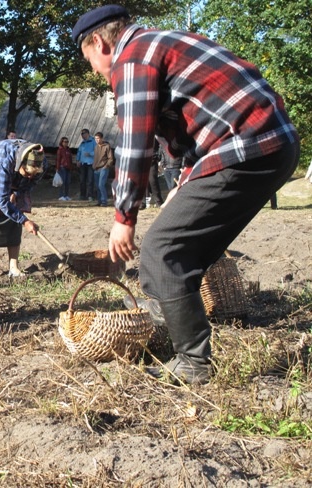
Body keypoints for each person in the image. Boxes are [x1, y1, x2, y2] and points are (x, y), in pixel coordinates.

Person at [72, 5, 299, 384]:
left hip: (247, 147)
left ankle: (193, 364)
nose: (94, 69)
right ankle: (164, 326)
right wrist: (187, 179)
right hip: (271, 142)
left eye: (89, 59)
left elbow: (135, 144)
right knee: (183, 250)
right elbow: (197, 121)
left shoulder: (132, 59)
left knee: (162, 251)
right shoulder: (162, 42)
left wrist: (123, 218)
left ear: (99, 42)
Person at [0, 139, 47, 279]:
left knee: (14, 218)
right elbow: (0, 199)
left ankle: (13, 267)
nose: (31, 176)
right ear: (20, 164)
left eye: (34, 174)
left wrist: (17, 193)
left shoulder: (41, 163)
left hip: (12, 177)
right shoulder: (5, 162)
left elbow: (30, 184)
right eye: (28, 173)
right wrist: (25, 221)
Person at [92, 131, 114, 206]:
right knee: (97, 186)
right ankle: (99, 201)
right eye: (95, 139)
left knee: (101, 184)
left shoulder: (107, 146)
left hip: (103, 168)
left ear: (101, 138)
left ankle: (104, 201)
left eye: (98, 138)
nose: (97, 140)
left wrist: (106, 166)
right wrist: (93, 166)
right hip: (96, 168)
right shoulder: (96, 147)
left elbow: (110, 158)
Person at [76, 129, 95, 200]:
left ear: (87, 133)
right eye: (81, 134)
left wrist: (90, 154)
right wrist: (78, 160)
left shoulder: (93, 141)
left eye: (83, 134)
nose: (82, 135)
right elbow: (79, 152)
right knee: (82, 180)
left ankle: (90, 195)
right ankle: (82, 195)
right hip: (83, 163)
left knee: (90, 180)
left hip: (90, 163)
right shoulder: (82, 143)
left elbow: (97, 151)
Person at [56, 136, 73, 201]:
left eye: (67, 142)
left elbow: (70, 159)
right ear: (62, 142)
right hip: (62, 167)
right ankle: (61, 195)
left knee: (67, 182)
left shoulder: (68, 150)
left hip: (68, 167)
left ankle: (66, 195)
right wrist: (57, 168)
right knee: (62, 182)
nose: (66, 143)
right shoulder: (60, 150)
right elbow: (58, 159)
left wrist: (71, 166)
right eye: (65, 142)